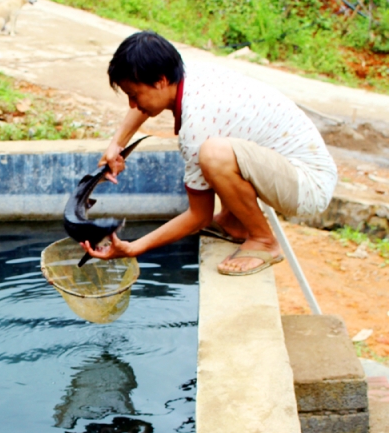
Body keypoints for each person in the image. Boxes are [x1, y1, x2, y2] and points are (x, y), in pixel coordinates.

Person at [80, 31, 337, 276]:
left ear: (160, 81)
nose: (132, 104)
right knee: (218, 148)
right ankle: (232, 221)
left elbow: (198, 216)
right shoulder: (184, 72)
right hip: (290, 166)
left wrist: (134, 247)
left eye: (133, 95)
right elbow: (146, 102)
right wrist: (117, 143)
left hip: (307, 185)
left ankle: (264, 240)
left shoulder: (197, 123)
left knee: (214, 155)